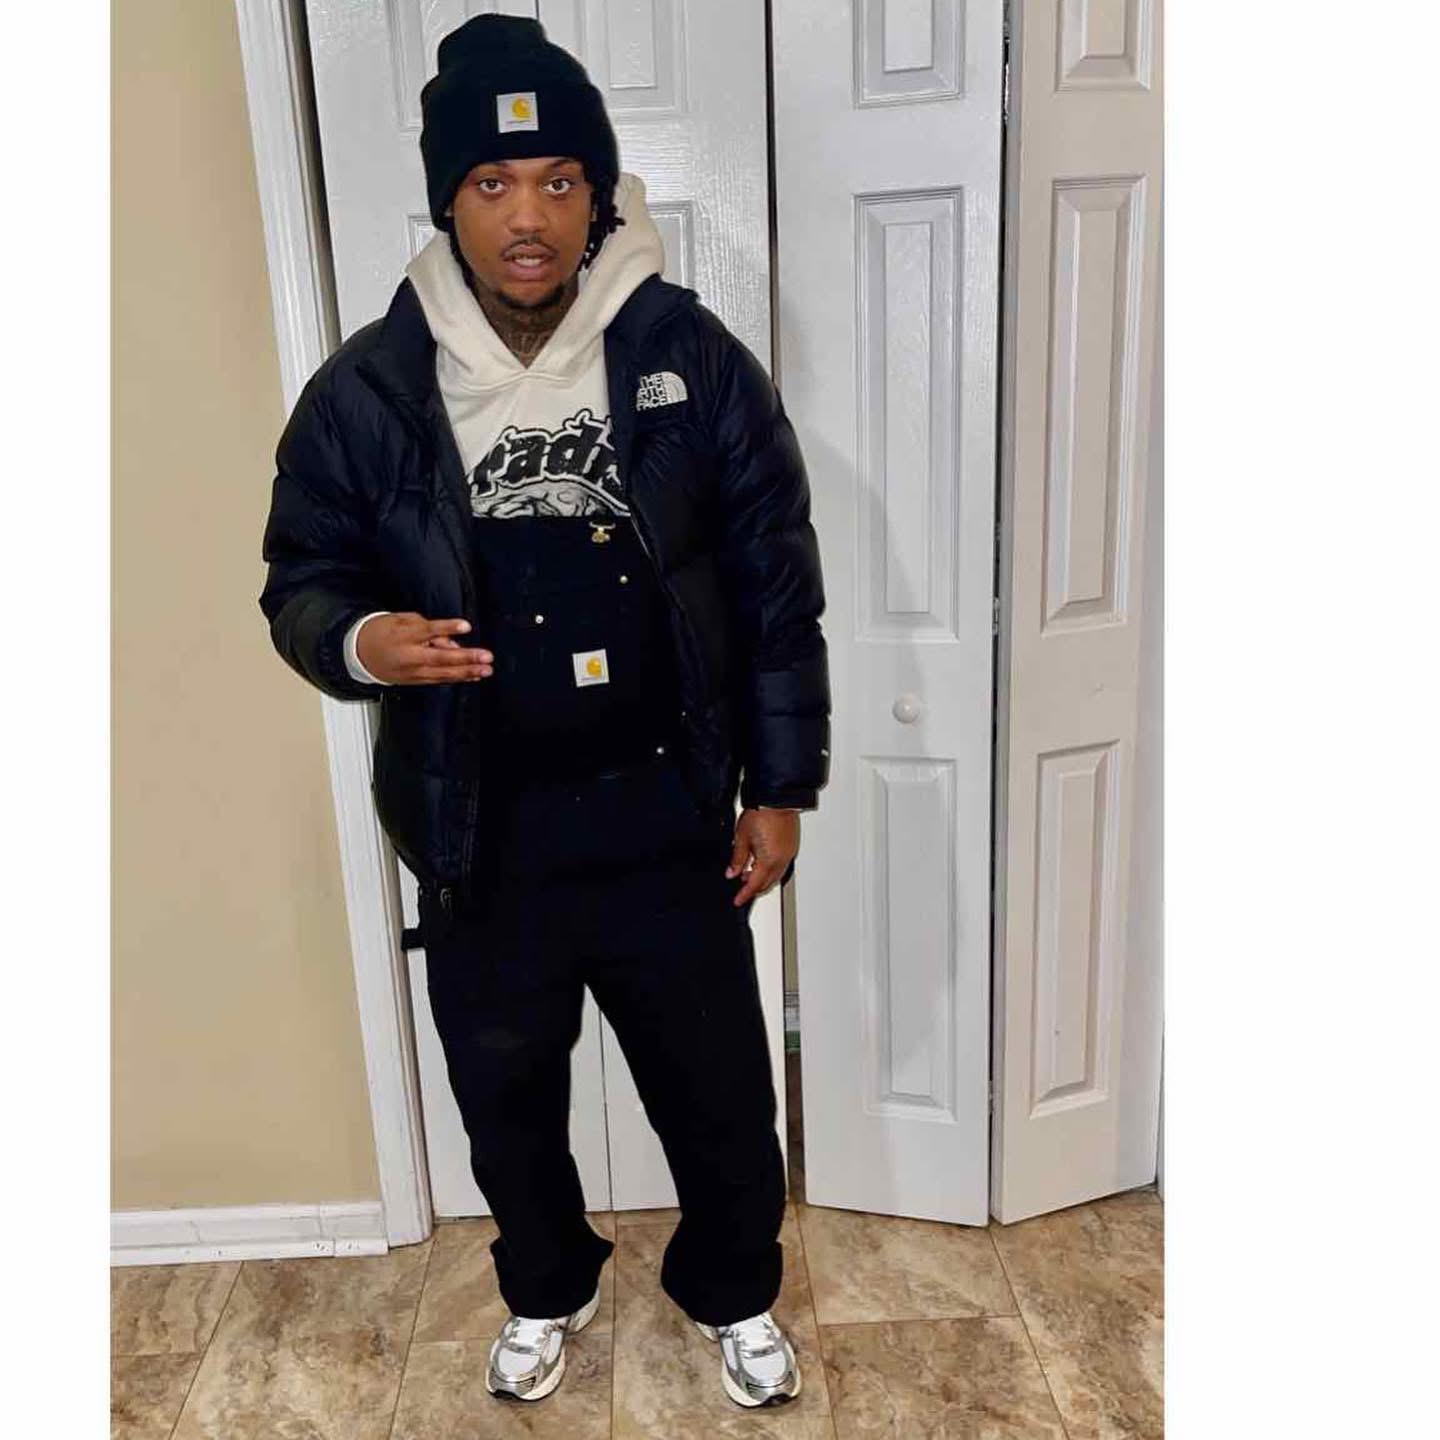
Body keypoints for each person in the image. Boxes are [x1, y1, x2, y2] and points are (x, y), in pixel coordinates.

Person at [258, 12, 830, 1410]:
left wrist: (777, 786)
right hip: (483, 831)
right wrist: (365, 644)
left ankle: (733, 1292)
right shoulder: (369, 390)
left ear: (598, 196)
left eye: (559, 180)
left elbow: (774, 585)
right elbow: (302, 580)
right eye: (494, 183)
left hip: (666, 816)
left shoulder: (690, 358)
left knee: (719, 1097)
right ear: (448, 201)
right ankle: (546, 1285)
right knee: (506, 1103)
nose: (529, 216)